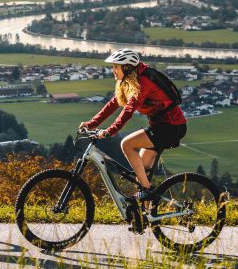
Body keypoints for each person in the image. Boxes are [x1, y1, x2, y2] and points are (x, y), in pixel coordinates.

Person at [78, 49, 187, 202]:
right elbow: (113, 104)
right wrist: (92, 124)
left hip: (170, 127)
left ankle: (147, 191)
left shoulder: (143, 83)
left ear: (127, 68)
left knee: (127, 144)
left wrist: (110, 131)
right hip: (161, 126)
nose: (113, 70)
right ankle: (147, 215)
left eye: (116, 67)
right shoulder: (130, 81)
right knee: (141, 172)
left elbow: (128, 110)